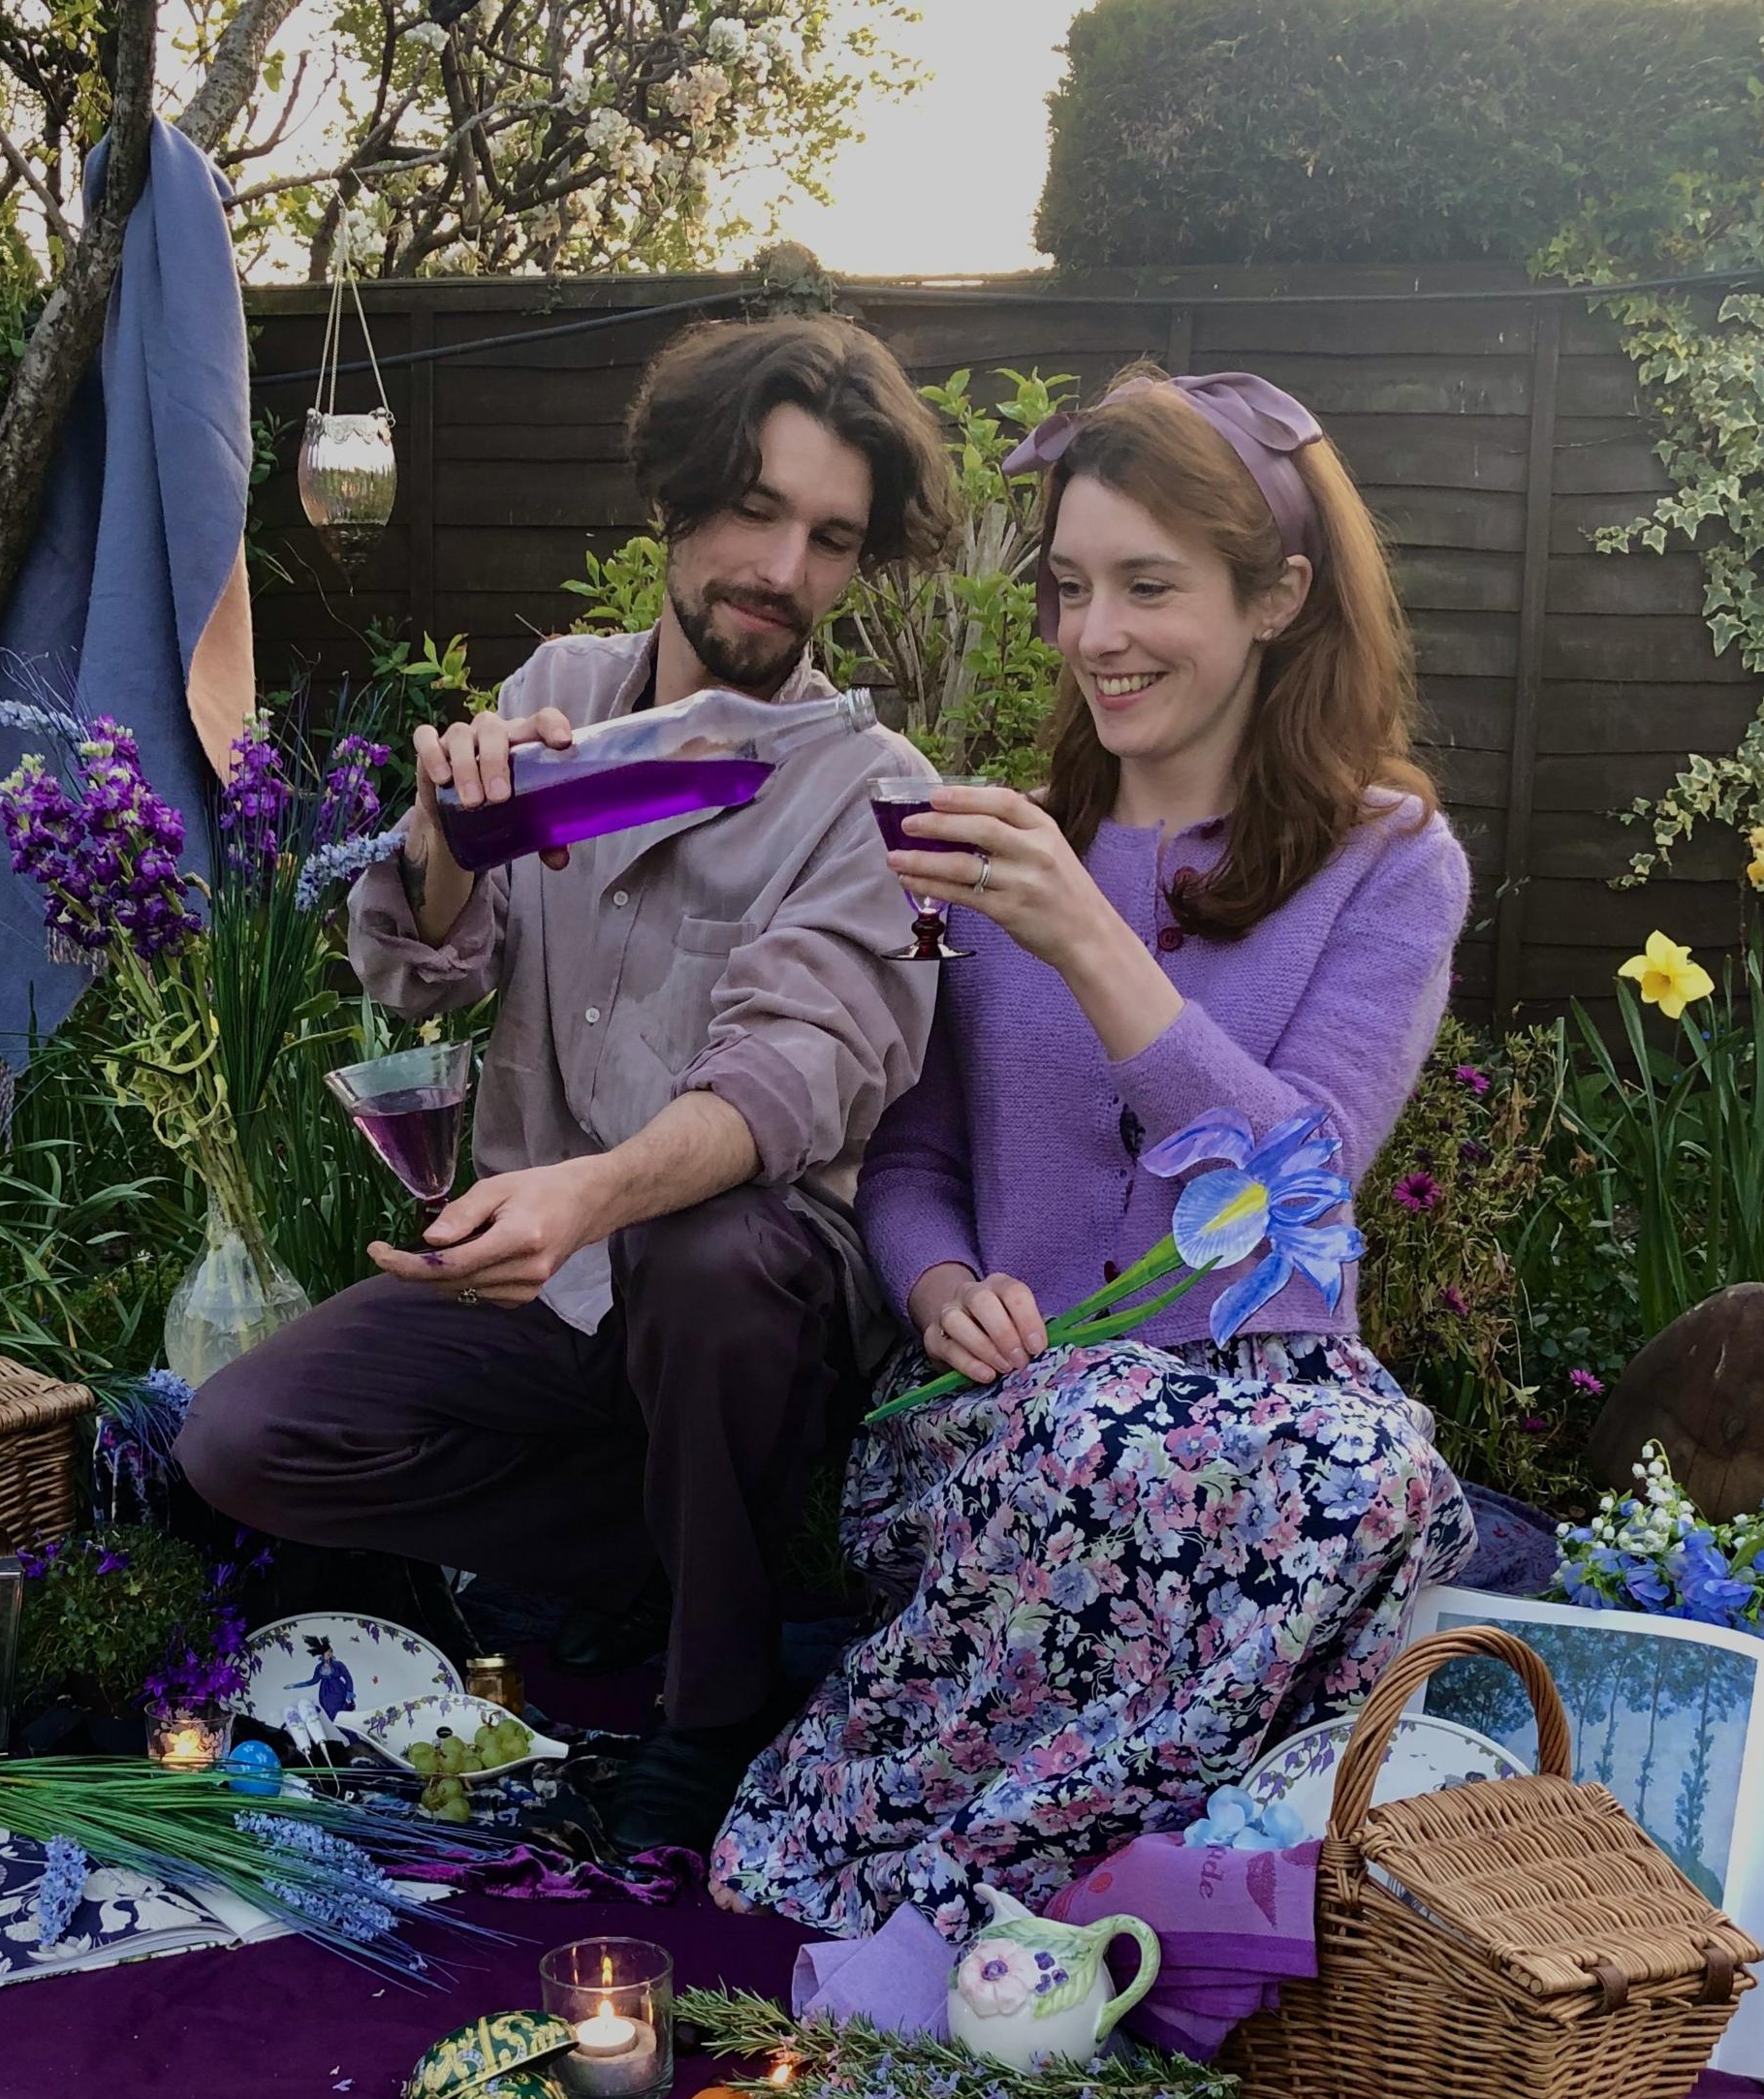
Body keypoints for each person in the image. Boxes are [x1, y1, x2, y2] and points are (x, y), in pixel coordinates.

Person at [709, 364, 1481, 1937]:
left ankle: (1028, 1895)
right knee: (1107, 1450)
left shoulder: (1390, 865)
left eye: (1147, 587)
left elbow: (1300, 1208)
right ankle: (1036, 1889)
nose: (1093, 636)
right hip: (1010, 1428)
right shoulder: (1000, 842)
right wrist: (936, 1287)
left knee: (1376, 1481)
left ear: (1278, 596)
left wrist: (1091, 945)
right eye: (1069, 588)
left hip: (1263, 1424)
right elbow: (912, 1156)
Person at [179, 316, 959, 1850]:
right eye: (753, 509)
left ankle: (715, 1702)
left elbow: (794, 1075)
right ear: (673, 497)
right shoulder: (562, 695)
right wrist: (440, 841)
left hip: (749, 1310)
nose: (782, 570)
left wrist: (582, 1196)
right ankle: (668, 1551)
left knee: (706, 1249)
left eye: (829, 539)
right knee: (238, 1440)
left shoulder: (877, 797)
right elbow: (423, 973)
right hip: (549, 1293)